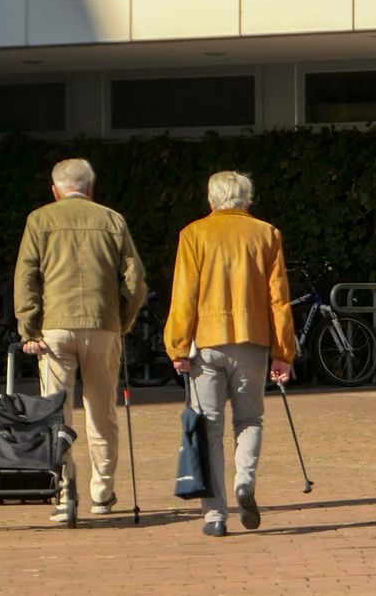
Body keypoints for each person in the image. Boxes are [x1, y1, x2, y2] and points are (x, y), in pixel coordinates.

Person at [163, 171, 295, 538]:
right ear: (247, 199)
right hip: (252, 341)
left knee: (208, 428)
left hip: (206, 342)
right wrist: (283, 351)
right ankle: (245, 481)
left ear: (211, 199)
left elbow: (184, 295)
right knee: (250, 420)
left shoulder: (193, 234)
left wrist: (177, 345)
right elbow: (278, 298)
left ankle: (214, 515)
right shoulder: (267, 234)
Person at [14, 158, 146, 520]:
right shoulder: (111, 219)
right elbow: (134, 280)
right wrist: (124, 319)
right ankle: (102, 492)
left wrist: (29, 328)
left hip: (55, 327)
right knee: (101, 412)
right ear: (90, 187)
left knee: (55, 413)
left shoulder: (39, 220)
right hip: (103, 325)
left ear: (55, 190)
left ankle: (62, 493)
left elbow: (26, 277)